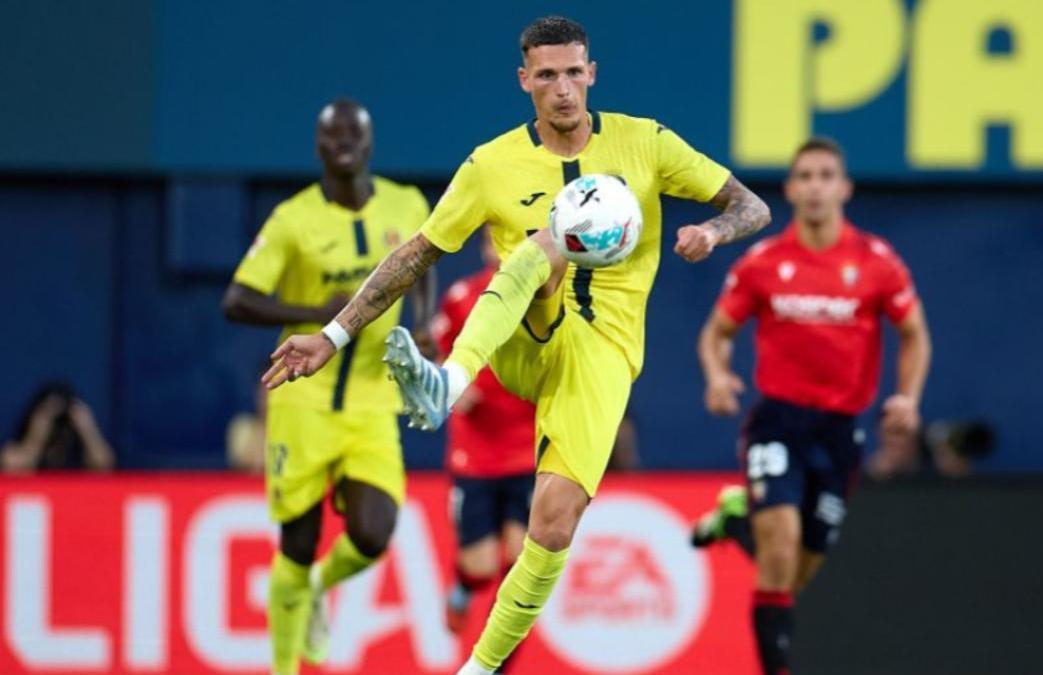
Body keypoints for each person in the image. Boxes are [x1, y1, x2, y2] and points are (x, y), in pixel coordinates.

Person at [262, 16, 771, 675]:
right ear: (524, 80)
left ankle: (477, 668)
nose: (563, 88)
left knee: (553, 525)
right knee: (548, 242)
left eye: (574, 73)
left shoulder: (646, 142)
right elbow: (415, 255)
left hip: (603, 354)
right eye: (547, 75)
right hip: (522, 338)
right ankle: (447, 382)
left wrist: (713, 232)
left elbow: (751, 206)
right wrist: (334, 336)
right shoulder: (492, 165)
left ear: (592, 73)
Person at [689, 136, 932, 674]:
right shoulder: (764, 262)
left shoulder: (876, 262)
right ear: (791, 189)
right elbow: (717, 333)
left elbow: (914, 333)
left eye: (826, 176)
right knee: (779, 551)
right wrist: (717, 376)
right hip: (778, 421)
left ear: (845, 188)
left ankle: (736, 522)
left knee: (796, 571)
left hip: (841, 431)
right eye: (805, 176)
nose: (816, 186)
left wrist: (907, 398)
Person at [221, 98, 436, 675]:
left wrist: (423, 324)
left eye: (353, 134)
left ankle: (320, 585)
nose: (343, 143)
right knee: (297, 540)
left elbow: (424, 265)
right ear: (318, 147)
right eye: (332, 135)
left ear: (370, 143)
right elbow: (237, 300)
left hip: (373, 396)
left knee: (373, 532)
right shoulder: (292, 220)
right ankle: (283, 668)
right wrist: (315, 312)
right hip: (304, 397)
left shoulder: (407, 204)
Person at [431, 227, 537, 654]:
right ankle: (462, 587)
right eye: (494, 239)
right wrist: (455, 387)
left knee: (519, 565)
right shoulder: (462, 297)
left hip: (528, 450)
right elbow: (438, 351)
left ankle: (492, 661)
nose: (500, 247)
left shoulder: (545, 297)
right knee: (480, 566)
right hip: (475, 454)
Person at [1, 382, 115, 473]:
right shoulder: (20, 443)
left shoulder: (79, 446)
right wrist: (37, 434)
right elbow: (14, 467)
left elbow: (104, 465)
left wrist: (87, 428)